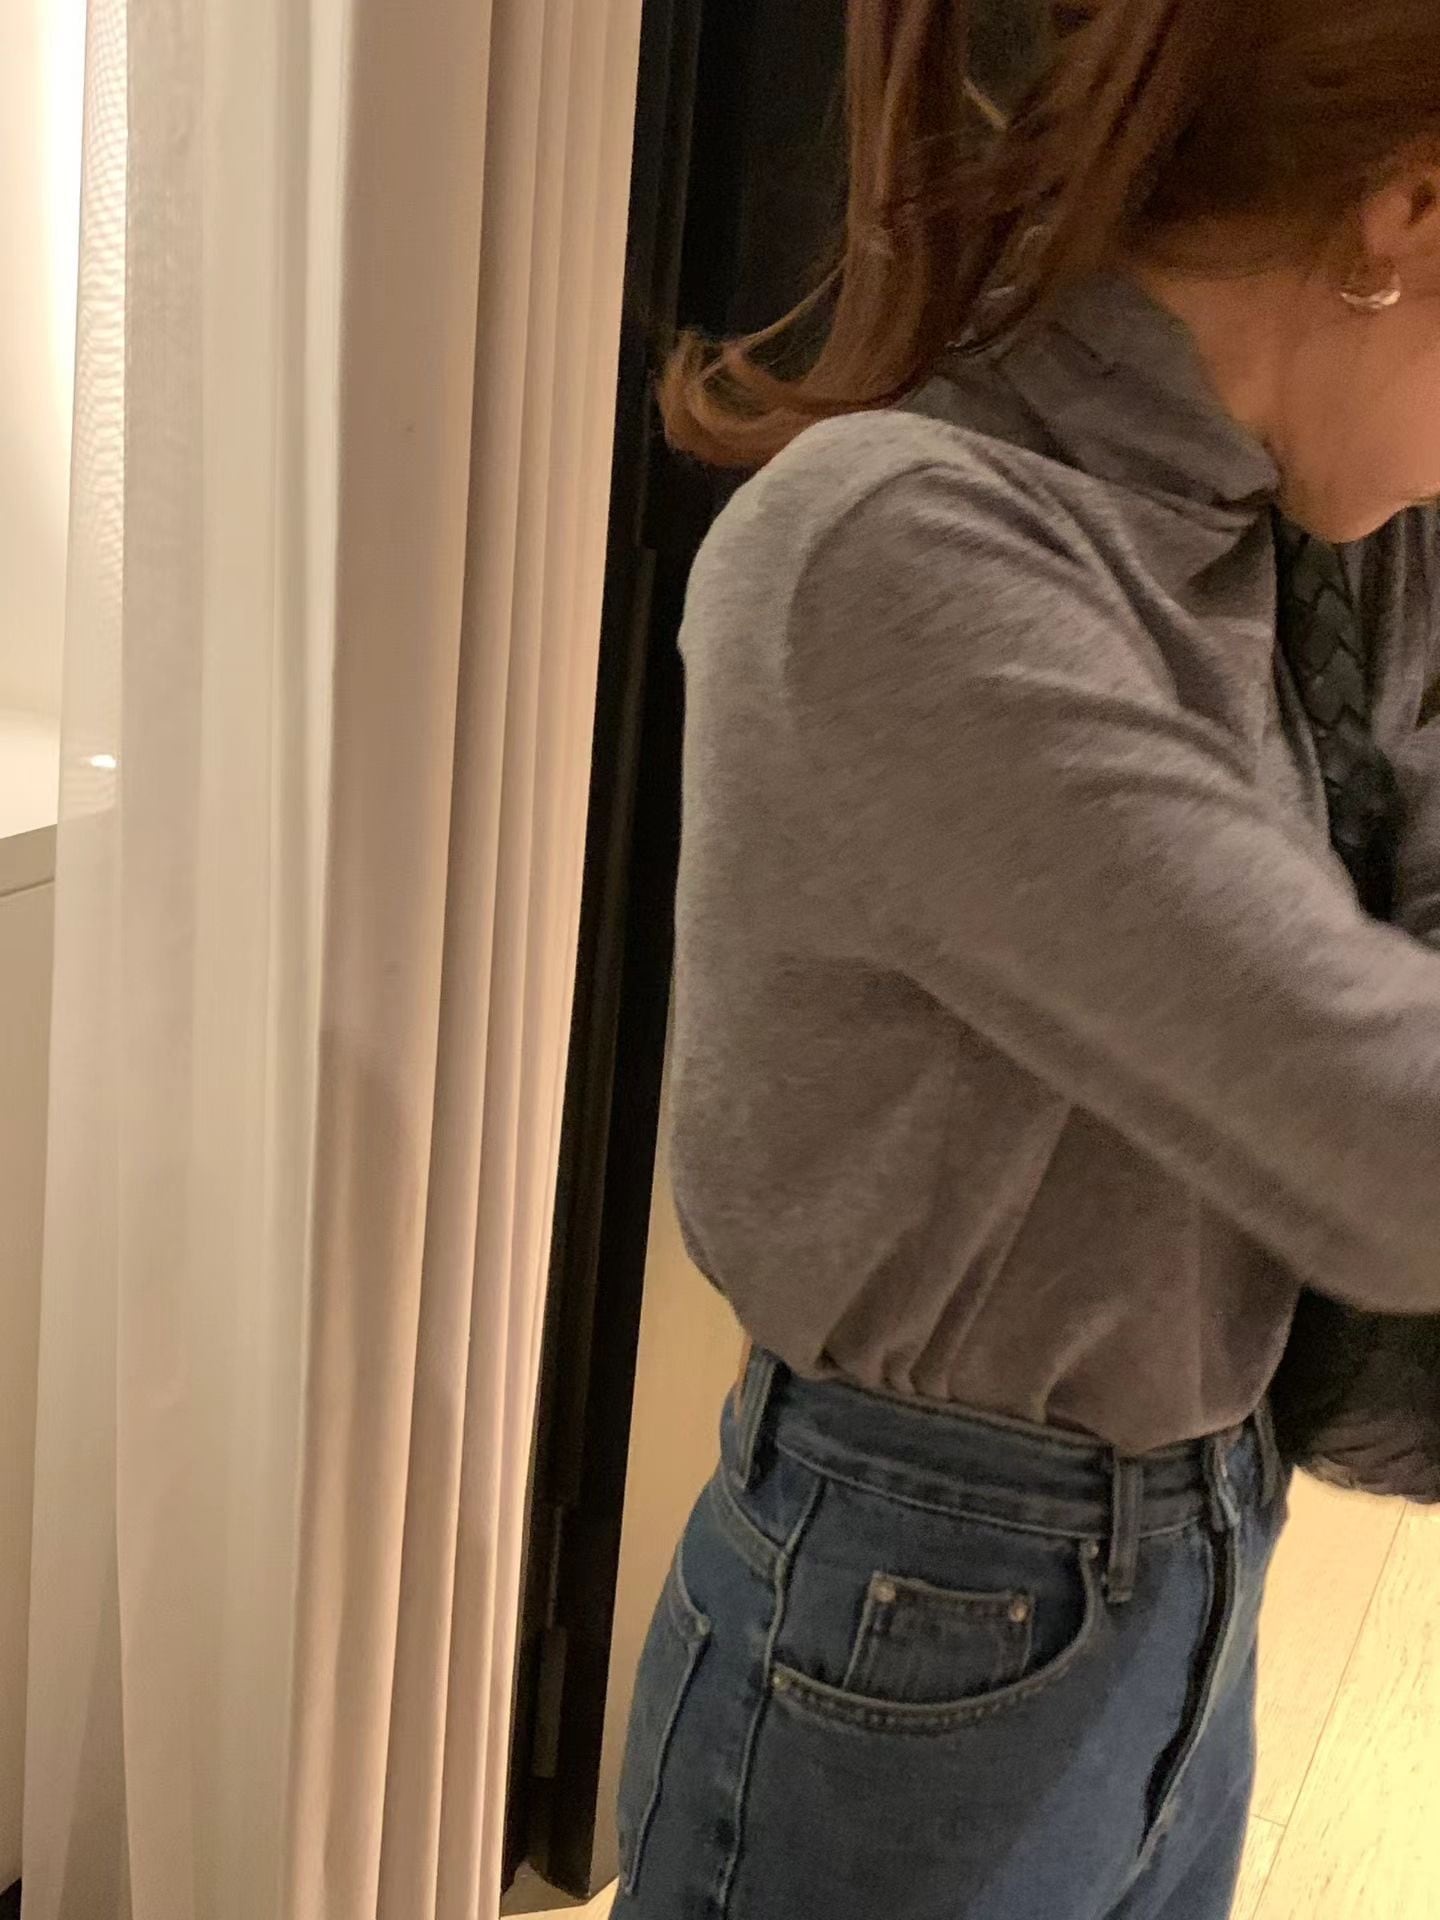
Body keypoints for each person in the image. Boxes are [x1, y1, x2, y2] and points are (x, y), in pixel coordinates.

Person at [611, 3, 1440, 1916]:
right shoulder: (894, 555)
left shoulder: (1287, 536)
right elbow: (1393, 1142)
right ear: (1404, 212)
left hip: (1195, 1558)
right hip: (922, 1615)